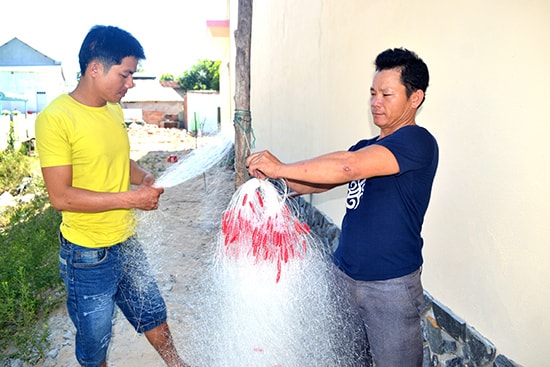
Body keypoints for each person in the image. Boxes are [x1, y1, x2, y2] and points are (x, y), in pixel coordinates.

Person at [246, 48, 438, 367]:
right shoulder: (365, 148)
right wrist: (273, 185)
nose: (376, 101)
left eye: (387, 94)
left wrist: (282, 167)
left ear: (415, 97)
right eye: (373, 93)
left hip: (390, 285)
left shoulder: (417, 142)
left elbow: (347, 167)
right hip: (343, 276)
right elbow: (319, 182)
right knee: (347, 360)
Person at [35, 25, 189, 367]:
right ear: (95, 68)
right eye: (126, 74)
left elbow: (117, 158)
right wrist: (131, 200)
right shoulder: (56, 118)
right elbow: (62, 197)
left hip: (125, 239)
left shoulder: (112, 110)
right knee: (95, 342)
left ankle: (178, 364)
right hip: (87, 254)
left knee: (153, 314)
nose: (130, 83)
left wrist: (143, 176)